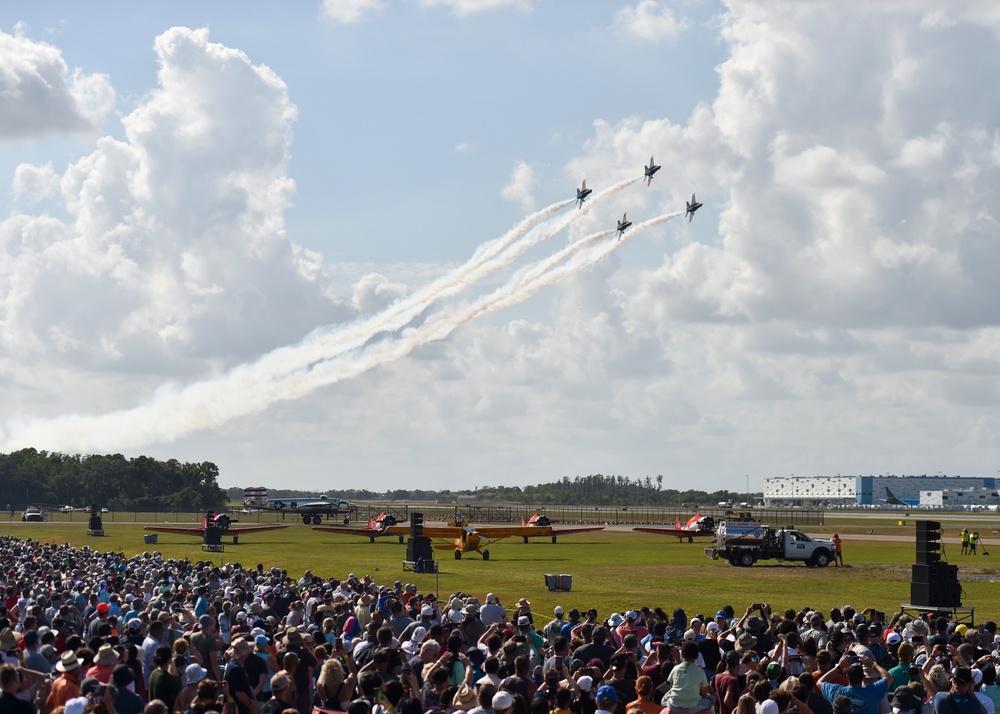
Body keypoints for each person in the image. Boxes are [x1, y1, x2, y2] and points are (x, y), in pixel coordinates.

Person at [662, 641, 713, 714]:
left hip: (674, 706)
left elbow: (671, 688)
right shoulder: (700, 671)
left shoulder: (675, 668)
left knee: (664, 700)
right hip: (693, 707)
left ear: (682, 654)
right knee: (710, 699)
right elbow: (703, 694)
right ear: (697, 656)